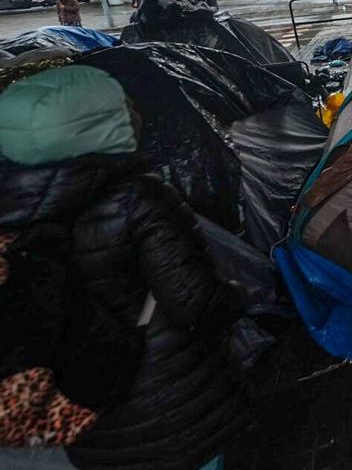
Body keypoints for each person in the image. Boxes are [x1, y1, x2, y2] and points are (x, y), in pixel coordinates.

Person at [0, 65, 247, 469]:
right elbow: (193, 302)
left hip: (82, 413)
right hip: (167, 397)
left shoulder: (10, 209)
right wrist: (237, 298)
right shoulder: (135, 200)